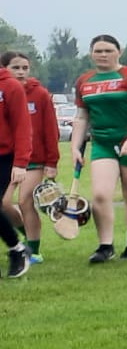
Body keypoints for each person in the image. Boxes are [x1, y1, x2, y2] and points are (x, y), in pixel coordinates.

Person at [71, 35, 127, 264]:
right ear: (91, 54)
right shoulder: (85, 81)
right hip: (103, 143)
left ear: (119, 52)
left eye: (108, 50)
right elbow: (82, 117)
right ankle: (105, 246)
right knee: (100, 195)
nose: (103, 55)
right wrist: (75, 147)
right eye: (98, 51)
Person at [5, 52, 59, 264]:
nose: (21, 72)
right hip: (8, 159)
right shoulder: (4, 92)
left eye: (25, 68)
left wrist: (52, 162)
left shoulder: (40, 94)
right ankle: (24, 236)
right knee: (4, 204)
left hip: (34, 160)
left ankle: (34, 251)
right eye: (15, 67)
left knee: (24, 201)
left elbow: (50, 130)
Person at [0, 56, 30, 278]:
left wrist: (20, 163)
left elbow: (22, 127)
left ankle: (16, 248)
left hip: (4, 156)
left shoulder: (10, 86)